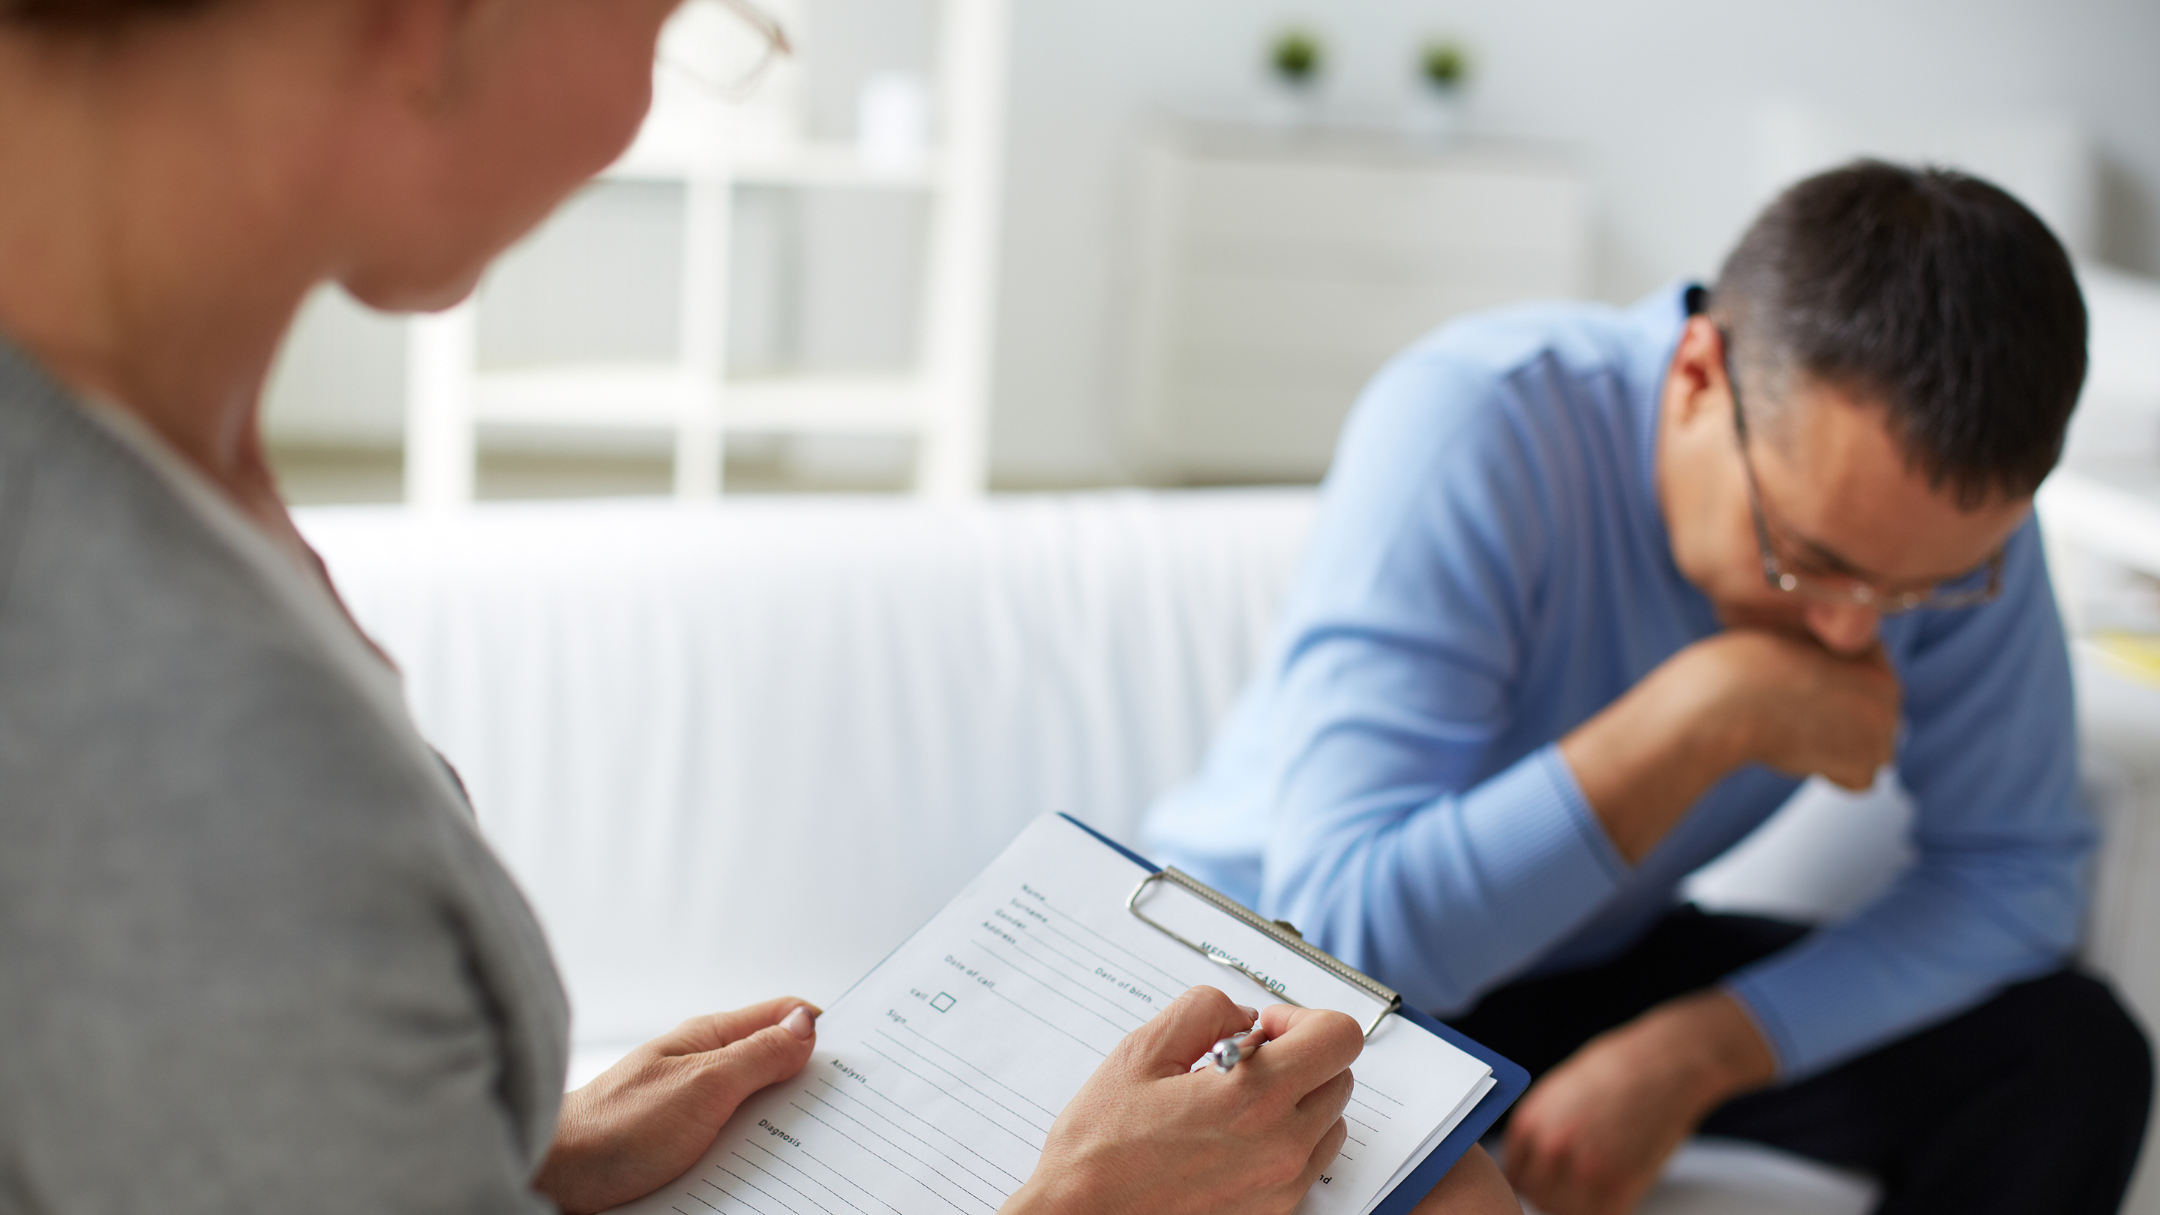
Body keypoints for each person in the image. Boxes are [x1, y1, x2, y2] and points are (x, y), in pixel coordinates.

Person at [0, 1, 1521, 1212]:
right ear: (429, 20)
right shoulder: (151, 697)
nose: (637, 114)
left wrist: (529, 1160)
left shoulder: (148, 465)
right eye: (668, 24)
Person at [1144, 161, 2154, 1215]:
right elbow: (1343, 947)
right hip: (1264, 973)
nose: (1853, 626)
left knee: (2068, 1057)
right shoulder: (1478, 422)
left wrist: (1705, 1048)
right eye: (1807, 556)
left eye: (1921, 587)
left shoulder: (1941, 530)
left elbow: (2012, 874)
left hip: (1579, 964)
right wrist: (1709, 712)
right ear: (1698, 377)